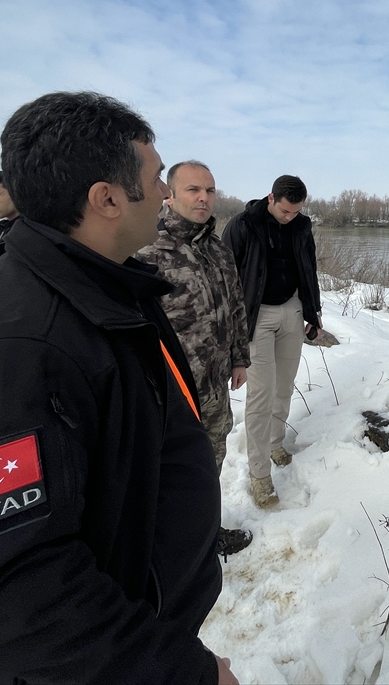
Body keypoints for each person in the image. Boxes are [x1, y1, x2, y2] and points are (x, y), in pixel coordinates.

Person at [0, 92, 239, 685]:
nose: (163, 194)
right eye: (157, 180)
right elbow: (7, 601)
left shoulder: (106, 289)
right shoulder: (9, 357)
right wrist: (180, 673)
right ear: (105, 198)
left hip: (137, 617)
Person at [138, 160, 254, 557]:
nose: (203, 197)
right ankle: (163, 548)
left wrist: (240, 358)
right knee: (166, 473)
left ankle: (206, 534)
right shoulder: (145, 247)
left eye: (209, 190)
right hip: (169, 391)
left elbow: (235, 305)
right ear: (169, 194)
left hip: (215, 385)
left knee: (210, 464)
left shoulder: (217, 248)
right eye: (193, 189)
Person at [222, 175, 322, 510]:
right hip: (257, 317)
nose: (289, 217)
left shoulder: (302, 226)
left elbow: (309, 269)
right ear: (270, 198)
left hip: (291, 311)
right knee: (261, 395)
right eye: (284, 211)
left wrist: (313, 312)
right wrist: (233, 327)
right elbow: (226, 277)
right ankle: (259, 475)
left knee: (284, 387)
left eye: (295, 212)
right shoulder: (243, 225)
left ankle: (276, 443)